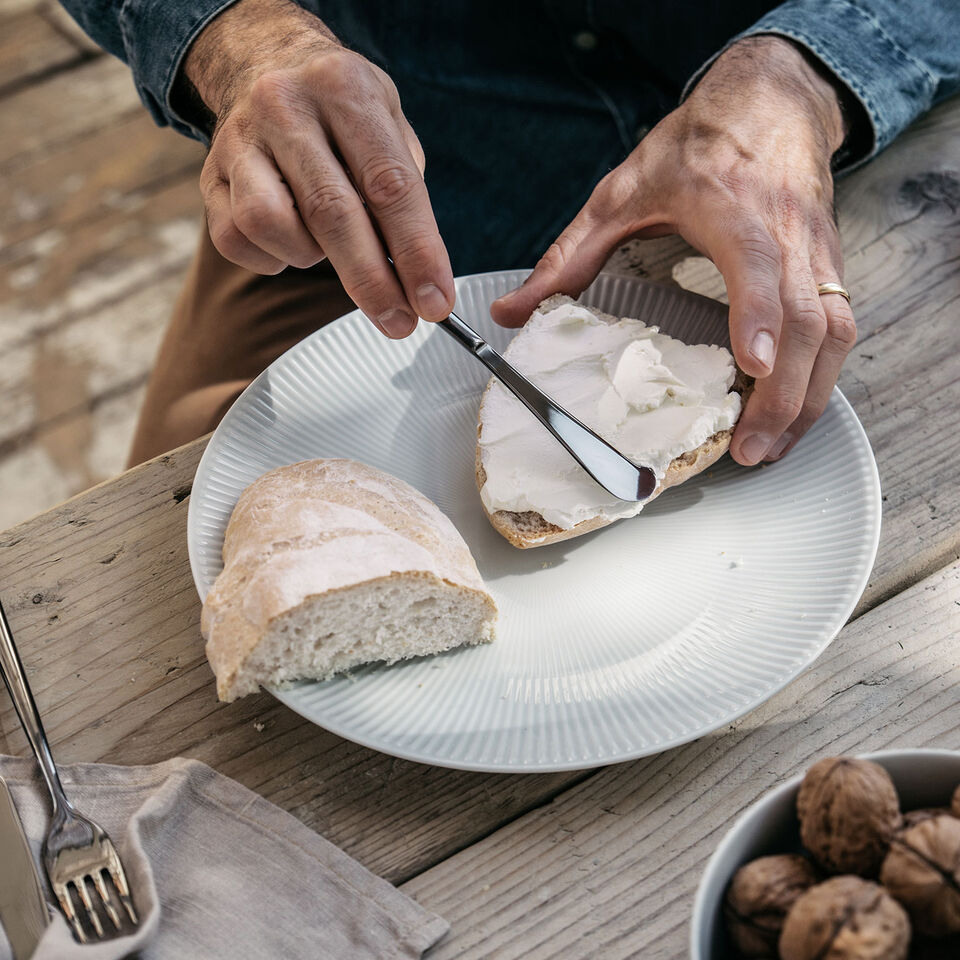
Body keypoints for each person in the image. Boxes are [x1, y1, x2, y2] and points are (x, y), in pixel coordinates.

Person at [60, 0, 960, 468]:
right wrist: (237, 36)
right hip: (380, 198)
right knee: (178, 536)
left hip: (829, 151)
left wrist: (806, 72)